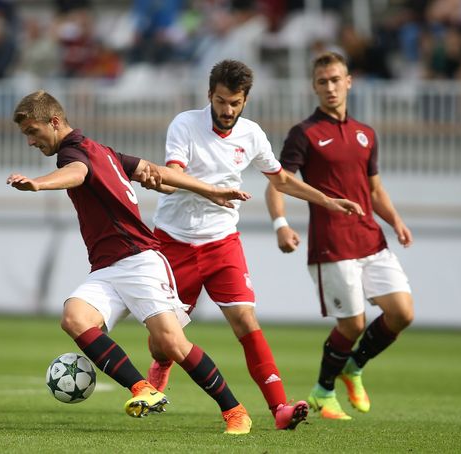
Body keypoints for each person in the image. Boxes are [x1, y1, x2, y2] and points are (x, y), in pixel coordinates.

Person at [7, 90, 254, 435]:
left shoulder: (73, 155)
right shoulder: (104, 151)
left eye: (32, 132)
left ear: (55, 122)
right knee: (75, 317)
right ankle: (143, 389)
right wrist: (209, 190)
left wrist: (38, 183)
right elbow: (154, 171)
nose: (31, 141)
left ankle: (235, 411)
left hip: (139, 261)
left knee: (171, 343)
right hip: (107, 269)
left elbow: (77, 173)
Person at [142, 59, 364, 430]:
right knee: (163, 341)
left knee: (246, 320)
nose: (227, 111)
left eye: (235, 103)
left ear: (245, 101)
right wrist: (169, 183)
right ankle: (163, 362)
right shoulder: (185, 124)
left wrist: (327, 200)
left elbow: (281, 179)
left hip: (221, 243)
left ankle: (280, 408)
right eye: (221, 101)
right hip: (173, 242)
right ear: (209, 95)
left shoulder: (252, 135)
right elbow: (173, 175)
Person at [264, 51, 415, 420]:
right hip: (332, 242)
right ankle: (323, 391)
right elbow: (277, 183)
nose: (330, 87)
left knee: (402, 313)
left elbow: (374, 189)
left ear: (349, 81)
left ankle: (353, 367)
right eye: (322, 81)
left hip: (371, 237)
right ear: (314, 87)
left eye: (336, 79)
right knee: (353, 323)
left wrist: (395, 220)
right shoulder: (305, 134)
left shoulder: (366, 134)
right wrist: (281, 225)